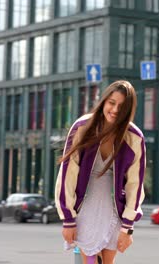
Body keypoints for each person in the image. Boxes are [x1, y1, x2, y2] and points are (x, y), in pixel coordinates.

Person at [55, 80, 146, 264]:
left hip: (113, 211)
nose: (115, 109)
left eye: (121, 106)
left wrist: (128, 226)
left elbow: (135, 185)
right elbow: (67, 176)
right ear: (104, 101)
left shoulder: (134, 138)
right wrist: (68, 219)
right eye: (112, 103)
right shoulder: (82, 127)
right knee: (90, 261)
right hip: (86, 208)